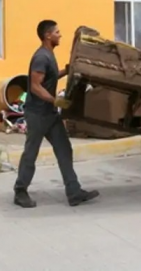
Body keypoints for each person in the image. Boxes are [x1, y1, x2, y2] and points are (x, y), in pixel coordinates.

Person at [13, 20, 99, 208]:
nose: (60, 35)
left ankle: (74, 191)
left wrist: (66, 71)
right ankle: (20, 191)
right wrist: (54, 100)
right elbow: (35, 86)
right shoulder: (41, 57)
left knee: (64, 149)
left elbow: (48, 78)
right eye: (57, 32)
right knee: (31, 153)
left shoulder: (49, 54)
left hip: (50, 115)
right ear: (47, 35)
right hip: (37, 114)